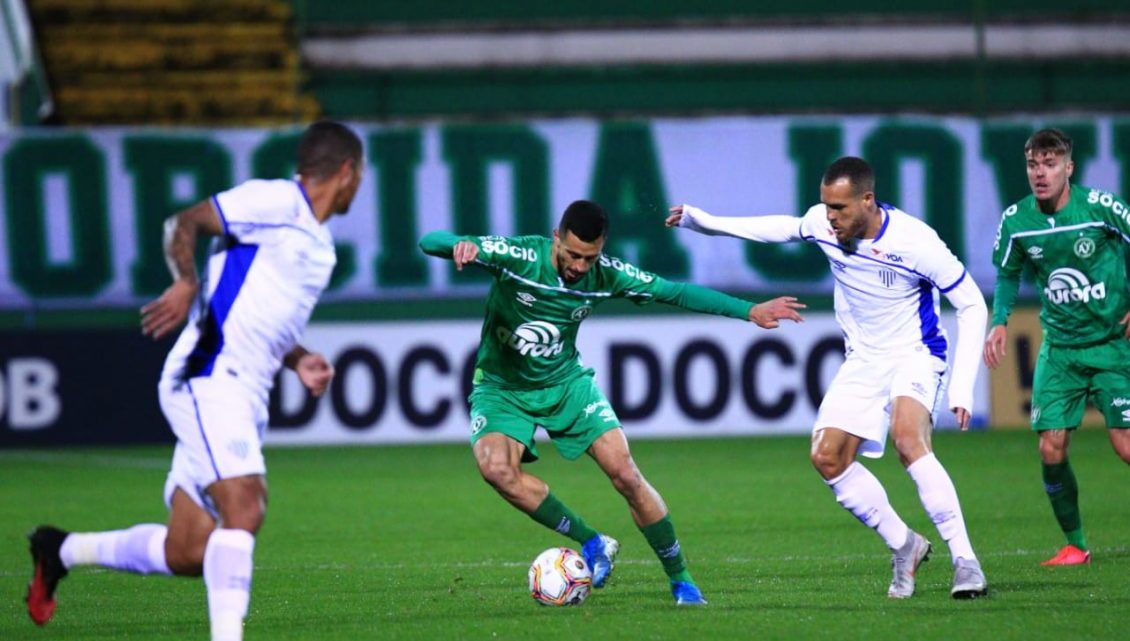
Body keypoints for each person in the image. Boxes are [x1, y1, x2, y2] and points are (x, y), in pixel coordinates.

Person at [25, 121, 364, 640]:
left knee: (187, 552)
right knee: (245, 505)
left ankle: (61, 549)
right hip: (209, 374)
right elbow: (185, 222)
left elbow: (255, 312)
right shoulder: (277, 201)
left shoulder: (319, 244)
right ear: (347, 171)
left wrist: (297, 359)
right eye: (360, 175)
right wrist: (186, 280)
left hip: (245, 391)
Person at [418, 200, 805, 605]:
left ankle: (682, 580)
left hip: (567, 384)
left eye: (590, 257)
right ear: (556, 238)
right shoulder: (517, 257)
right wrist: (460, 245)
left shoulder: (608, 274)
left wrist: (749, 310)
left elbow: (674, 292)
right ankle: (591, 540)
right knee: (497, 470)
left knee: (625, 474)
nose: (580, 267)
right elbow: (430, 241)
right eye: (572, 255)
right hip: (501, 387)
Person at [666, 156, 989, 599]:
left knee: (908, 440)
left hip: (915, 354)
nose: (829, 217)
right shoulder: (823, 223)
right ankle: (905, 545)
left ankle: (965, 561)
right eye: (825, 206)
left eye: (839, 208)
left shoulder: (916, 242)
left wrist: (962, 385)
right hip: (863, 359)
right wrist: (704, 221)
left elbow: (972, 303)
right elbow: (779, 228)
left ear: (867, 200)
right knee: (827, 457)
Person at [983, 128, 1130, 566]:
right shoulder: (1016, 220)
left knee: (1125, 445)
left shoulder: (1100, 208)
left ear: (1069, 167)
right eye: (1033, 164)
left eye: (1050, 164)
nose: (1040, 173)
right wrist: (999, 322)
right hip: (1061, 351)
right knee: (1050, 446)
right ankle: (1075, 544)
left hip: (1111, 347)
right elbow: (1008, 274)